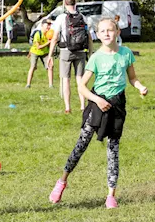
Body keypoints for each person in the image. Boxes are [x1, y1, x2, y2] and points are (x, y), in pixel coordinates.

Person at [48, 17, 148, 208]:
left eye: (110, 30)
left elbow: (133, 78)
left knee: (113, 150)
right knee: (82, 144)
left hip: (117, 105)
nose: (107, 34)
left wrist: (140, 87)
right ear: (97, 35)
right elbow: (81, 86)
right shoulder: (96, 58)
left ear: (118, 32)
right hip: (97, 103)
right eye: (102, 31)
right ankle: (62, 181)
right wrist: (97, 100)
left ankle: (111, 195)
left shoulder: (126, 54)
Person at [48, 0, 93, 113]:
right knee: (80, 79)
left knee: (66, 79)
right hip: (81, 51)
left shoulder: (61, 17)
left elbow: (55, 37)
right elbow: (89, 37)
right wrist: (90, 53)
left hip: (66, 51)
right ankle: (83, 105)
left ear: (64, 4)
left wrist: (50, 55)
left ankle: (68, 107)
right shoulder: (82, 17)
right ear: (75, 3)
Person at [26, 19, 54, 88]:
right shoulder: (38, 34)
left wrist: (51, 56)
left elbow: (50, 46)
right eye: (47, 25)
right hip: (35, 52)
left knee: (50, 66)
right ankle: (28, 84)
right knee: (33, 67)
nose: (49, 27)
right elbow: (38, 47)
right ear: (42, 25)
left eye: (50, 25)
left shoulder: (50, 34)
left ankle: (51, 85)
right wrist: (48, 42)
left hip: (45, 52)